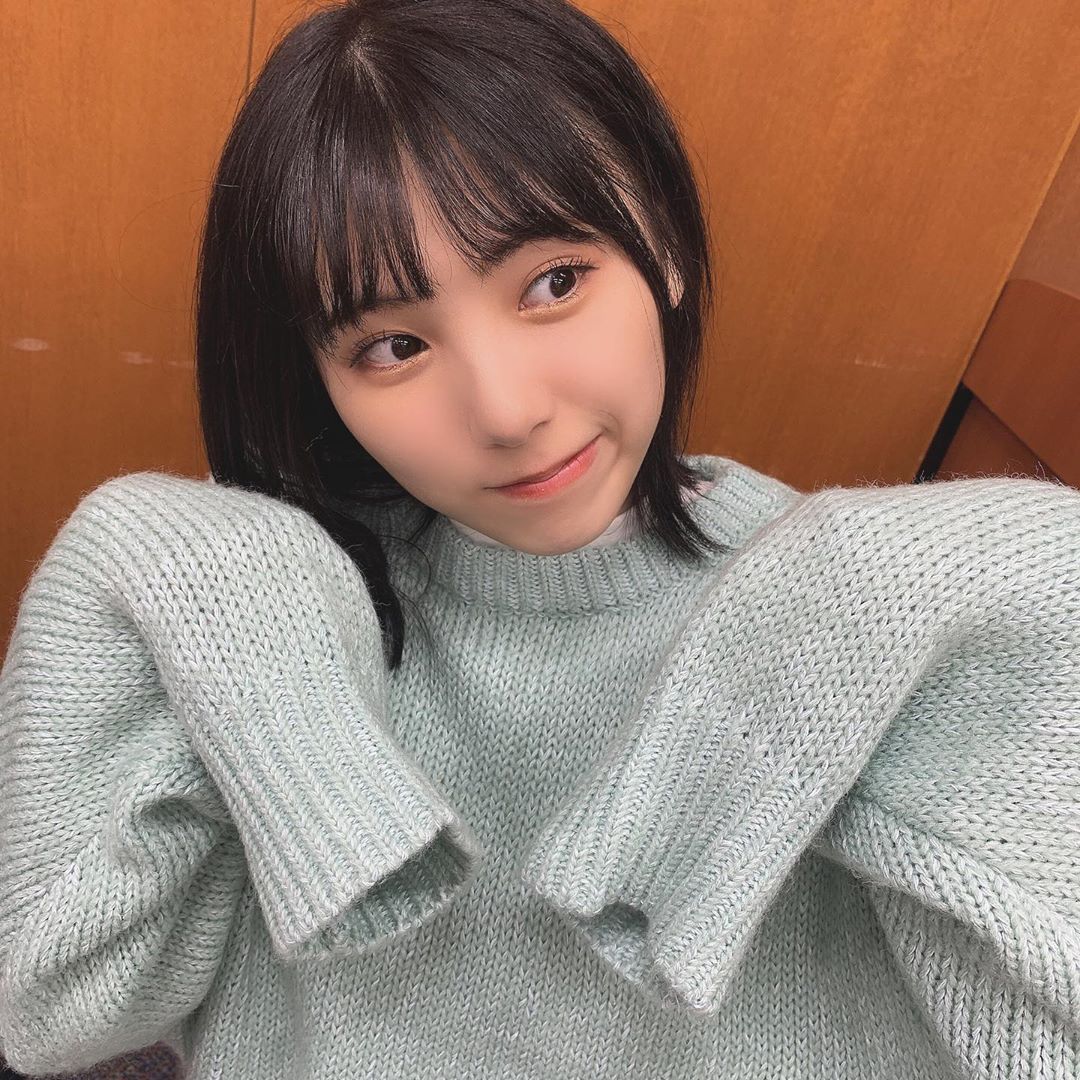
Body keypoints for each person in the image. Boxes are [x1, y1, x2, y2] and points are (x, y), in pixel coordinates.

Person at [2, 1, 1079, 1078]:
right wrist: (150, 575)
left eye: (554, 282)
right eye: (392, 346)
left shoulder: (872, 625)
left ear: (663, 246)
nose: (507, 411)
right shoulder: (281, 617)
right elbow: (48, 1016)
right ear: (318, 381)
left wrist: (1015, 585)